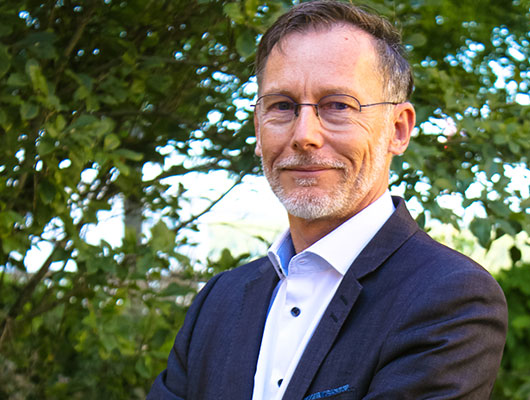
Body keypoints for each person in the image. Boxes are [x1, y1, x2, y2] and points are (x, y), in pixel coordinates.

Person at [148, 1, 508, 399]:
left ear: (398, 130)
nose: (304, 135)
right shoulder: (219, 300)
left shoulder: (449, 297)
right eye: (282, 106)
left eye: (338, 105)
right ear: (258, 129)